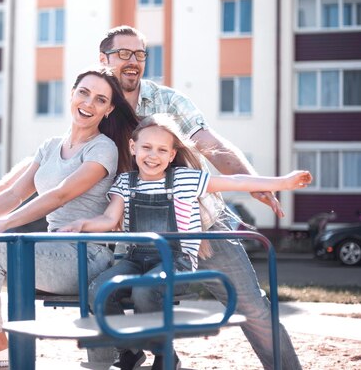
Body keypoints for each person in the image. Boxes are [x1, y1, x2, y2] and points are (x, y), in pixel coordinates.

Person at [0, 25, 304, 370]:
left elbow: (212, 145)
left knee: (252, 307)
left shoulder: (165, 101)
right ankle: (149, 356)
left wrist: (256, 182)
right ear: (103, 59)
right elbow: (38, 168)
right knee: (125, 292)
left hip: (195, 223)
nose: (133, 60)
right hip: (134, 231)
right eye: (123, 53)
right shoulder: (98, 108)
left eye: (140, 54)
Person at [0, 66, 139, 370]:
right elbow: (14, 194)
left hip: (85, 257)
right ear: (72, 94)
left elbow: (59, 195)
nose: (88, 104)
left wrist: (0, 226)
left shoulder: (104, 149)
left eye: (100, 100)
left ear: (109, 109)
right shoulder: (50, 146)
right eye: (84, 93)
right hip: (51, 251)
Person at [59, 115, 312, 370]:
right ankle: (129, 351)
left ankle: (164, 354)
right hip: (137, 258)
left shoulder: (186, 179)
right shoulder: (125, 183)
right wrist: (82, 224)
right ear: (133, 148)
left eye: (161, 150)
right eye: (146, 147)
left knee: (145, 291)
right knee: (99, 290)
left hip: (176, 260)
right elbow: (108, 218)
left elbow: (236, 181)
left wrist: (283, 182)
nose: (153, 155)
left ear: (171, 155)